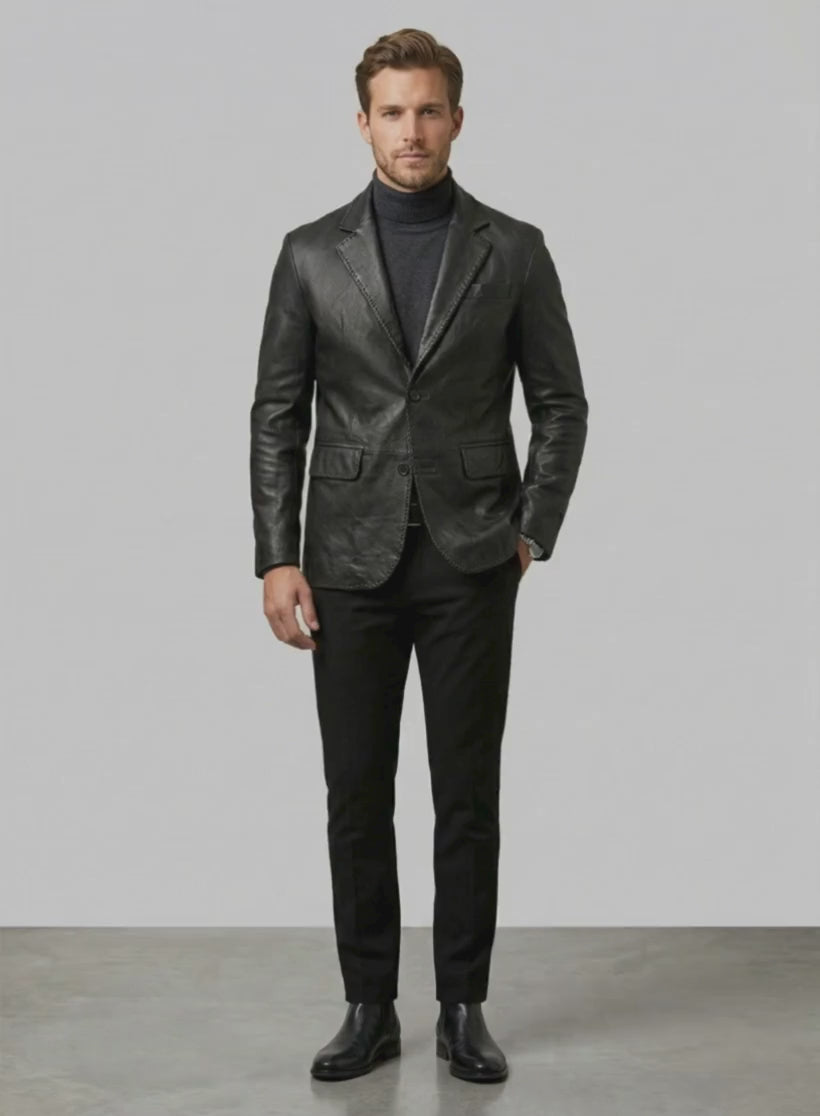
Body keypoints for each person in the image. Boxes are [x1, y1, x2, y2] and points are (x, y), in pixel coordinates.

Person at [249, 27, 588, 1084]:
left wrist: (531, 529)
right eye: (392, 112)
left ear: (456, 118)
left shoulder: (512, 249)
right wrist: (275, 556)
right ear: (363, 123)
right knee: (355, 792)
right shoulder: (311, 253)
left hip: (471, 556)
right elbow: (276, 413)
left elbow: (562, 403)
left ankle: (461, 1007)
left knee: (465, 793)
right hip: (344, 559)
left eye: (428, 110)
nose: (412, 130)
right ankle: (367, 1007)